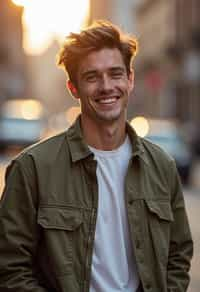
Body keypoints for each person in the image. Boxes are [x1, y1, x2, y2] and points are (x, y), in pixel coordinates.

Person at [0, 20, 193, 292]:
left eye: (115, 74)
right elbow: (10, 268)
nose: (106, 87)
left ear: (130, 79)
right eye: (92, 77)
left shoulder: (162, 166)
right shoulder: (32, 168)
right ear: (73, 88)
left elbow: (178, 255)